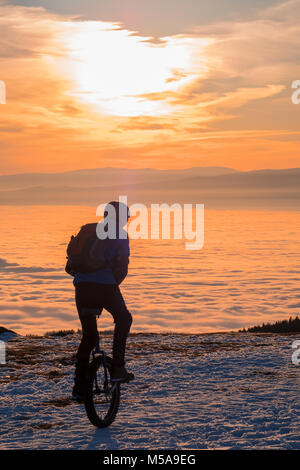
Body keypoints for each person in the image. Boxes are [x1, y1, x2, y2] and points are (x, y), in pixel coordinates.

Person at [72, 201, 134, 402]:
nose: (127, 221)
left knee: (89, 338)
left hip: (82, 287)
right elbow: (122, 268)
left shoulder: (88, 229)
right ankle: (118, 367)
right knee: (124, 318)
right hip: (105, 286)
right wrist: (111, 284)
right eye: (126, 217)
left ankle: (80, 387)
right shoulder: (120, 235)